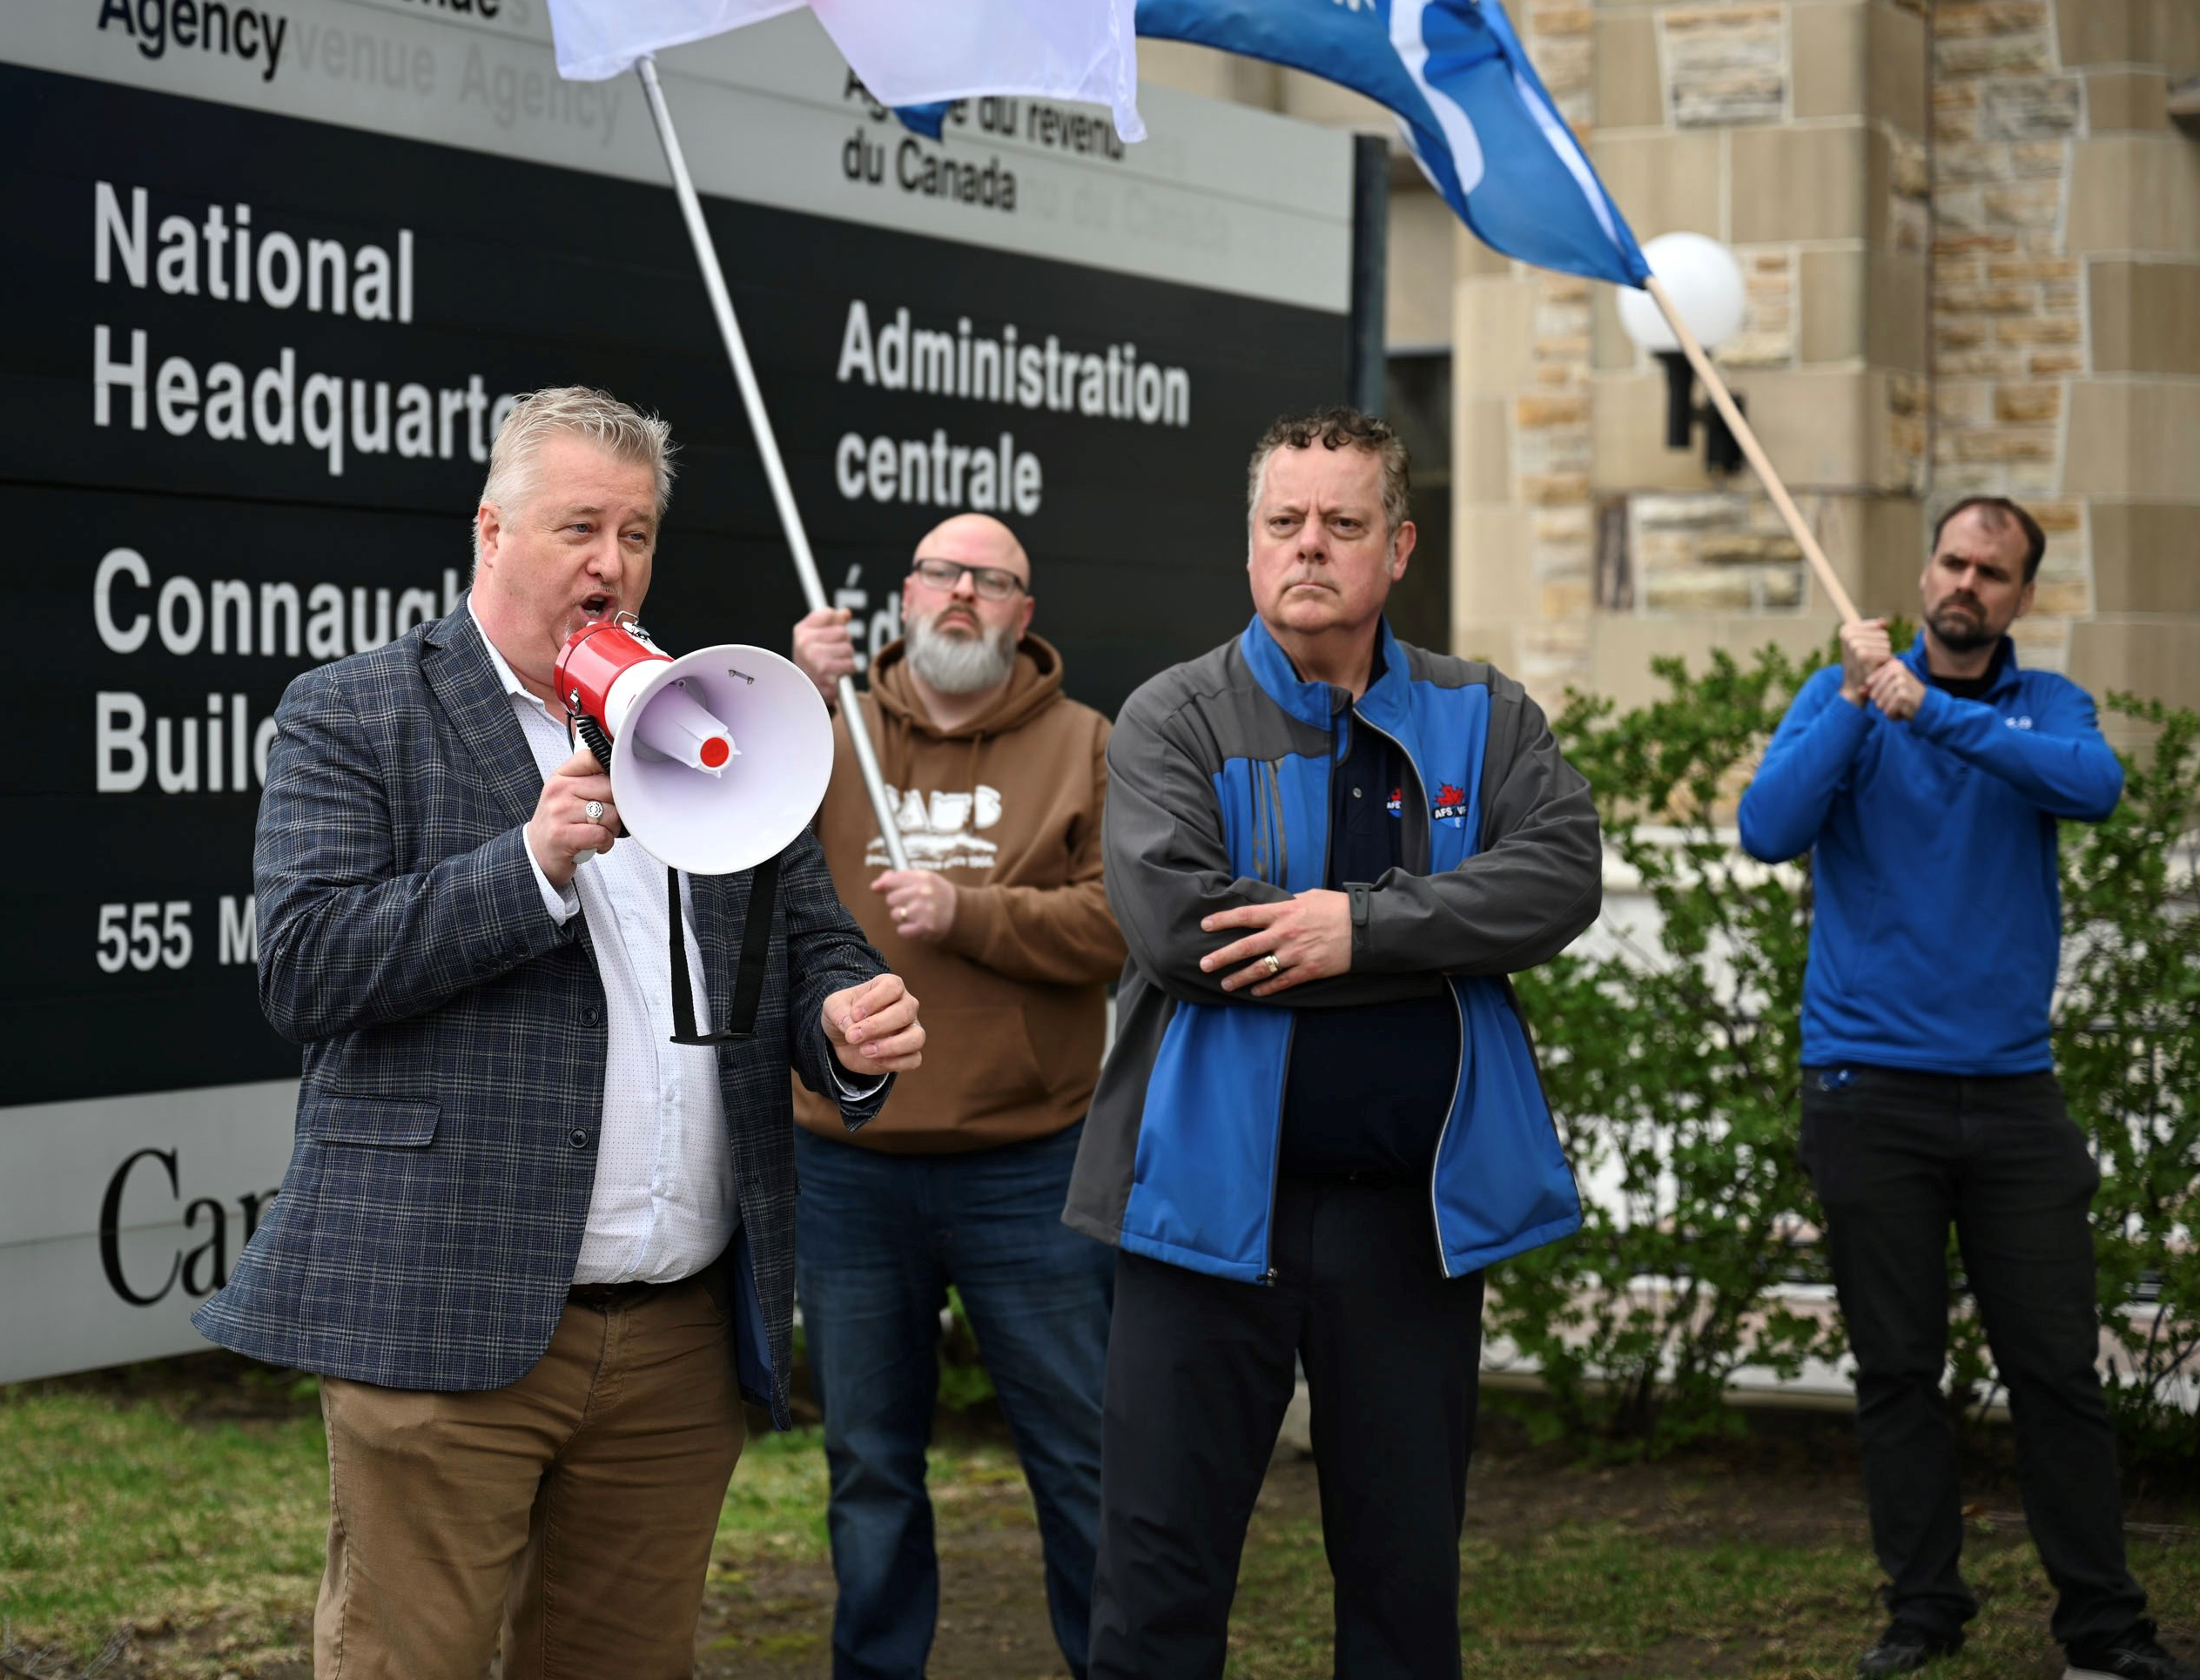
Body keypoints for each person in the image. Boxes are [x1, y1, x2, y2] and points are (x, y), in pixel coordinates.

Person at [192, 386, 925, 1680]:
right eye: (579, 526)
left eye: (637, 533)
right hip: (441, 1320)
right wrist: (527, 867)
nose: (613, 563)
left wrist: (841, 1023)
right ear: (492, 529)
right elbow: (305, 967)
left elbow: (813, 938)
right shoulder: (356, 712)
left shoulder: (710, 719)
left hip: (674, 1338)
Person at [1064, 407, 1601, 1679]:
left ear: (1398, 546)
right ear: (1250, 547)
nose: (1311, 547)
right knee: (1156, 1584)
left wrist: (1358, 930)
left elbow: (1561, 880)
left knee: (1406, 1588)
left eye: (1343, 524)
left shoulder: (1487, 715)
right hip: (1200, 1213)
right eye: (1284, 523)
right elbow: (1182, 931)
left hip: (1412, 1225)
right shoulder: (1172, 719)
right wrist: (1439, 939)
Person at [1739, 497, 2193, 1680]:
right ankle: (1922, 1613)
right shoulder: (1841, 697)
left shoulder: (2047, 708)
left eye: (1996, 572)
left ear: (2023, 598)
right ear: (1923, 568)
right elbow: (1766, 828)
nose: (1968, 584)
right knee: (1898, 1371)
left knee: (2056, 1373)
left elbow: (2091, 788)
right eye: (1954, 561)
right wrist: (1856, 700)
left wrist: (1931, 710)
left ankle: (2104, 1631)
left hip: (2011, 1098)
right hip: (1865, 1090)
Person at [785, 514, 1128, 1679]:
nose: (964, 594)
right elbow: (714, 838)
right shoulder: (822, 729)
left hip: (1030, 1162)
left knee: (1080, 1457)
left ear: (1025, 615)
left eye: (993, 581)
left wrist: (969, 914)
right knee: (870, 1466)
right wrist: (784, 694)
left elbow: (1124, 925)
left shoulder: (1089, 743)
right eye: (943, 574)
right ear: (904, 597)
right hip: (847, 1156)